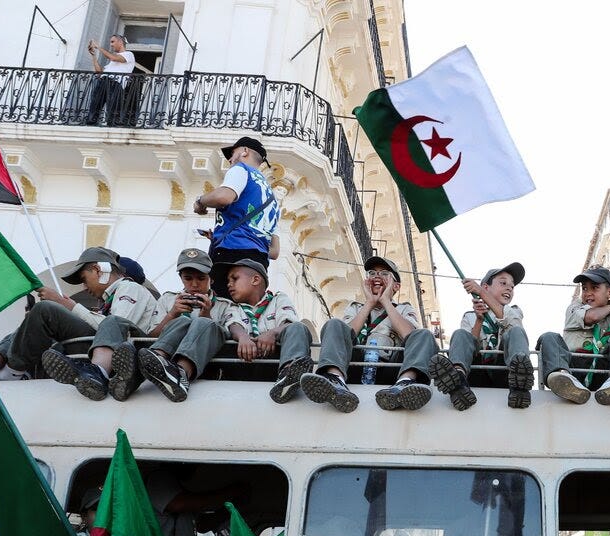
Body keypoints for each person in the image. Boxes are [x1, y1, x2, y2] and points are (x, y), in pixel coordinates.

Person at [300, 255, 435, 413]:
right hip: (356, 364)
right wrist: (369, 302)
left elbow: (409, 334)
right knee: (334, 324)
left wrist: (385, 301)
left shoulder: (404, 309)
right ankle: (335, 380)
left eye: (384, 273)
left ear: (396, 286)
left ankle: (405, 383)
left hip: (391, 367)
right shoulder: (356, 308)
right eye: (372, 273)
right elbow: (346, 334)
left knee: (424, 334)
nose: (376, 276)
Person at [39, 250, 158, 400]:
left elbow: (116, 324)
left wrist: (69, 305)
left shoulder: (129, 287)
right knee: (43, 312)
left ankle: (97, 372)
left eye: (84, 279)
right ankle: (5, 364)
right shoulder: (109, 299)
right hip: (113, 351)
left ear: (97, 270)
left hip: (129, 354)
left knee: (112, 320)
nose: (84, 287)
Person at [136, 249, 240, 401]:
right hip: (166, 361)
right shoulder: (168, 299)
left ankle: (180, 374)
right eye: (188, 278)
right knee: (183, 321)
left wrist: (206, 316)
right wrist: (172, 314)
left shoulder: (225, 305)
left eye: (201, 278)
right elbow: (151, 336)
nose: (195, 284)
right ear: (181, 278)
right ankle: (157, 363)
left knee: (203, 323)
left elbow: (228, 340)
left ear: (211, 278)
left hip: (209, 369)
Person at [429, 262, 534, 410]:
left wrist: (481, 293)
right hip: (477, 370)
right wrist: (479, 321)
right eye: (503, 283)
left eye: (512, 286)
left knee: (516, 332)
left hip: (504, 370)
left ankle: (519, 381)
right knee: (460, 334)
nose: (509, 287)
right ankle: (457, 377)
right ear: (486, 286)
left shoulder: (514, 311)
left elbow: (514, 326)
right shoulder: (469, 316)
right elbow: (468, 344)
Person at [538, 265, 610, 405]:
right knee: (549, 336)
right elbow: (591, 317)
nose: (588, 293)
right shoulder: (575, 307)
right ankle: (563, 379)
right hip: (574, 365)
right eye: (584, 288)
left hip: (602, 368)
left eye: (594, 287)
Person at [193, 137, 280, 299]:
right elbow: (274, 251)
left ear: (245, 151)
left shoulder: (241, 170)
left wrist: (200, 202)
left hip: (231, 257)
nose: (230, 160)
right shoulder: (272, 198)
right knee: (244, 315)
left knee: (221, 311)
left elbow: (224, 197)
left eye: (232, 154)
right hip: (258, 266)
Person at [85, 34, 135, 126]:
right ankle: (91, 123)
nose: (111, 44)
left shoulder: (129, 54)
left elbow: (113, 58)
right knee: (95, 103)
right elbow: (99, 72)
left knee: (112, 108)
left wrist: (98, 47)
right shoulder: (112, 63)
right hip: (104, 81)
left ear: (120, 42)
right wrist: (94, 56)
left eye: (112, 42)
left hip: (115, 83)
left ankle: (111, 125)